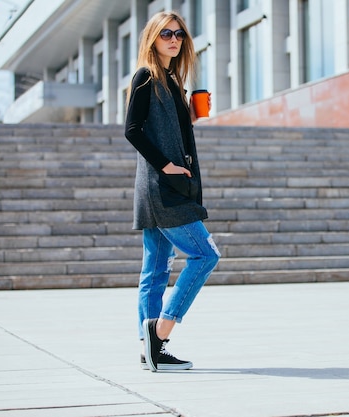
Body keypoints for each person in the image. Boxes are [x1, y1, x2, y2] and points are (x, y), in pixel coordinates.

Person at [124, 10, 220, 372]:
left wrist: (189, 115)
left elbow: (166, 128)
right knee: (206, 255)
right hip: (162, 187)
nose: (174, 39)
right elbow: (132, 130)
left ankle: (150, 352)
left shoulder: (172, 81)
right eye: (166, 34)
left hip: (169, 185)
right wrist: (165, 165)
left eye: (179, 34)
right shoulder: (146, 77)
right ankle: (159, 333)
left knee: (155, 269)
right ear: (153, 38)